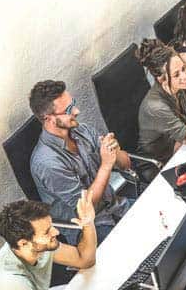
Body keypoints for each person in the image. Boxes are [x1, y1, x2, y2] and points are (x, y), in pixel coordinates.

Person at [29, 80, 132, 244]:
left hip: (115, 206)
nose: (77, 111)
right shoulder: (47, 162)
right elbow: (85, 208)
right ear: (48, 119)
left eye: (74, 104)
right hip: (89, 227)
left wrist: (115, 151)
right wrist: (106, 165)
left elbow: (126, 165)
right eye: (69, 110)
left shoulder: (82, 130)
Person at [135, 38, 186, 164]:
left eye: (184, 69)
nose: (184, 77)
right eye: (176, 75)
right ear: (161, 79)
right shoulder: (156, 107)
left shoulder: (179, 85)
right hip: (159, 163)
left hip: (181, 148)